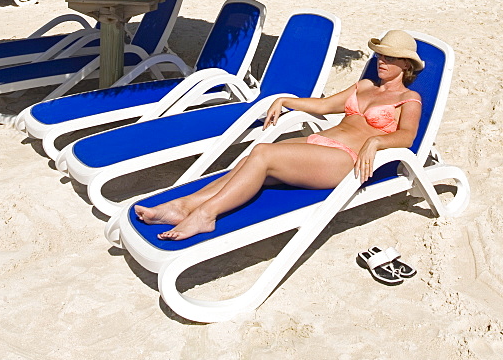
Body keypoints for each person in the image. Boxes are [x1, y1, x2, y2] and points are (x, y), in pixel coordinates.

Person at [135, 29, 424, 240]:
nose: (381, 61)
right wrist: (286, 100)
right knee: (251, 160)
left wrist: (377, 140)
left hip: (346, 161)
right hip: (320, 145)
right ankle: (181, 206)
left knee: (263, 152)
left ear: (407, 65)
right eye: (380, 55)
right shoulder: (363, 86)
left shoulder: (409, 99)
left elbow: (407, 137)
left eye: (391, 57)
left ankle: (205, 215)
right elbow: (324, 106)